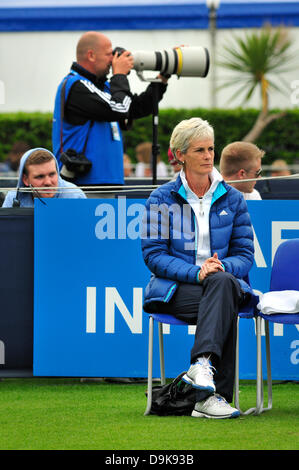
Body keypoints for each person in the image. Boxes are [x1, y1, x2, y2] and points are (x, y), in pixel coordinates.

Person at [141, 118, 255, 419]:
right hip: (177, 290)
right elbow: (154, 255)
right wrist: (196, 272)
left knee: (225, 285)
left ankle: (201, 368)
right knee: (224, 296)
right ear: (180, 155)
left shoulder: (233, 197)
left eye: (211, 149)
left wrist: (217, 267)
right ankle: (212, 397)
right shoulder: (161, 198)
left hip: (222, 282)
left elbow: (245, 254)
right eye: (200, 150)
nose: (208, 156)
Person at [52, 31, 169, 186]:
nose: (113, 59)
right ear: (91, 55)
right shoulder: (76, 86)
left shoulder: (104, 88)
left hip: (108, 183)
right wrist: (119, 75)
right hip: (81, 186)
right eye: (109, 54)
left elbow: (137, 108)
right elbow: (120, 108)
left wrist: (163, 77)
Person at [2, 148, 86, 207]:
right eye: (40, 177)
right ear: (25, 179)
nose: (48, 182)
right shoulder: (13, 198)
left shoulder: (75, 195)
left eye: (52, 174)